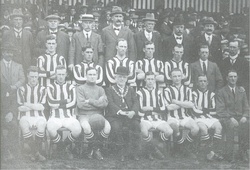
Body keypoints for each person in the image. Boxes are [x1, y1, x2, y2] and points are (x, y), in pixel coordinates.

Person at [105, 66, 141, 161]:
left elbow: (136, 102)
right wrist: (120, 111)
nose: (122, 79)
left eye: (124, 77)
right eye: (119, 77)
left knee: (136, 125)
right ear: (115, 77)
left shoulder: (131, 89)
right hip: (115, 116)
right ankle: (120, 153)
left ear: (127, 78)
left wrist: (133, 111)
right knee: (116, 127)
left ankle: (133, 152)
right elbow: (110, 103)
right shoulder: (109, 90)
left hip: (129, 116)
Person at [47, 65, 82, 159]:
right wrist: (66, 100)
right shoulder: (50, 86)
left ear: (66, 74)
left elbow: (73, 103)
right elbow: (50, 102)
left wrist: (58, 104)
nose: (61, 76)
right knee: (50, 128)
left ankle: (60, 147)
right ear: (56, 75)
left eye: (63, 74)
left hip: (68, 117)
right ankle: (62, 148)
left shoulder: (71, 87)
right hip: (55, 117)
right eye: (59, 74)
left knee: (77, 129)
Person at [163, 68, 199, 158]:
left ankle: (182, 148)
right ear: (171, 77)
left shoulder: (187, 90)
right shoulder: (167, 90)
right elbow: (168, 107)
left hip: (185, 116)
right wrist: (184, 103)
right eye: (174, 76)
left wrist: (176, 102)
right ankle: (180, 149)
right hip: (172, 117)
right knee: (174, 126)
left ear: (182, 77)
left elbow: (191, 104)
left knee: (195, 129)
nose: (177, 78)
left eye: (179, 76)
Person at [137, 71, 173, 160]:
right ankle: (155, 149)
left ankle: (155, 146)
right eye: (148, 79)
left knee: (169, 131)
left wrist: (150, 108)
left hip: (157, 119)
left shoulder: (159, 92)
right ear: (145, 80)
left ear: (155, 80)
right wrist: (156, 110)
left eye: (152, 79)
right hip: (145, 119)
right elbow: (141, 110)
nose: (150, 81)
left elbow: (163, 109)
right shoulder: (140, 92)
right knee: (144, 131)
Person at [77, 67, 111, 160]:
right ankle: (96, 149)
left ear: (97, 76)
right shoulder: (80, 88)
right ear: (86, 76)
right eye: (90, 74)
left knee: (108, 128)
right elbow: (81, 105)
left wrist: (90, 101)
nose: (92, 77)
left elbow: (104, 104)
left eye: (94, 75)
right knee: (86, 127)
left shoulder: (101, 89)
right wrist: (97, 103)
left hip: (99, 115)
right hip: (84, 115)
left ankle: (91, 148)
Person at [216, 70, 249, 163]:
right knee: (230, 125)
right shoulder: (221, 91)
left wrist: (245, 116)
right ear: (227, 78)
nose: (233, 78)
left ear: (237, 78)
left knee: (246, 124)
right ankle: (229, 154)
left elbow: (246, 107)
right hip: (226, 117)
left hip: (239, 117)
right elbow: (220, 109)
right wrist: (230, 117)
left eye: (234, 76)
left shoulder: (241, 91)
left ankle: (243, 152)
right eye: (230, 76)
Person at [0, 43, 25, 161]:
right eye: (6, 52)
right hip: (1, 101)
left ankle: (13, 152)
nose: (9, 54)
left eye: (11, 52)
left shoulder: (18, 66)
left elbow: (23, 79)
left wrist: (15, 86)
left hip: (13, 100)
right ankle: (4, 152)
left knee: (14, 125)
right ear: (2, 53)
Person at [17, 66, 47, 162]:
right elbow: (20, 107)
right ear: (27, 76)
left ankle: (33, 153)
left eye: (35, 77)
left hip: (39, 115)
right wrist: (35, 105)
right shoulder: (21, 89)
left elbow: (42, 107)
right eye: (31, 76)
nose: (34, 79)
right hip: (25, 116)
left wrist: (27, 104)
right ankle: (36, 153)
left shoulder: (43, 89)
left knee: (42, 124)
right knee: (24, 124)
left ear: (38, 77)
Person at [192, 74, 224, 161]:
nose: (203, 83)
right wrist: (207, 110)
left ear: (207, 83)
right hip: (198, 118)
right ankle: (207, 153)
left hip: (210, 117)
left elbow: (214, 110)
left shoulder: (212, 94)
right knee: (203, 129)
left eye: (204, 81)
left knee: (219, 127)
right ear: (197, 83)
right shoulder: (194, 93)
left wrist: (202, 109)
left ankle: (214, 151)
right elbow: (194, 110)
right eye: (200, 81)